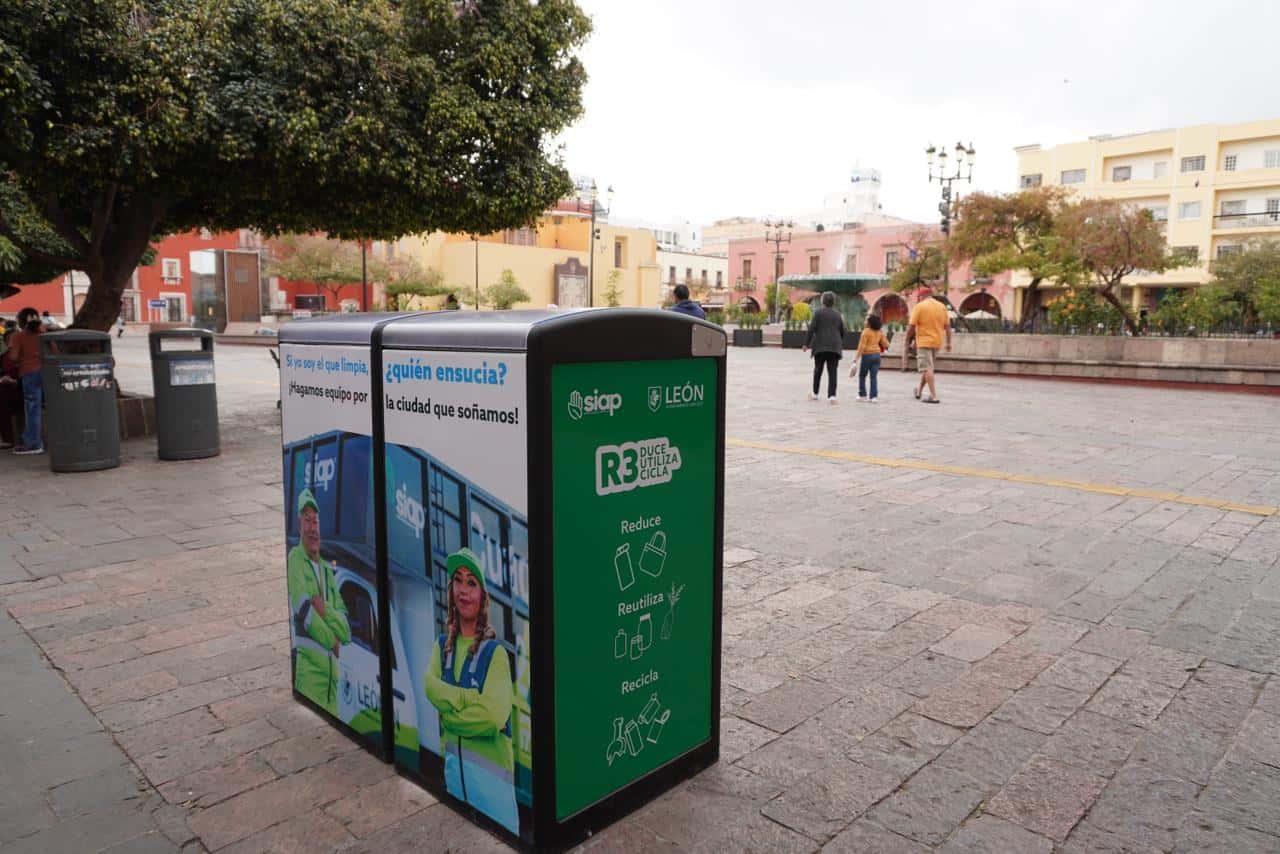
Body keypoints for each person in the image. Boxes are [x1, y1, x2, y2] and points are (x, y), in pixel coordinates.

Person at [425, 548, 518, 835]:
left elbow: (491, 718)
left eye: (471, 583)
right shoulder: (441, 648)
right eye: (458, 580)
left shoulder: (496, 655)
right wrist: (469, 699)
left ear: (483, 597)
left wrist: (450, 718)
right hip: (455, 796)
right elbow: (429, 686)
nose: (463, 590)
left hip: (495, 807)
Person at [286, 487, 351, 717]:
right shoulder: (295, 559)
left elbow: (346, 630)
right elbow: (304, 610)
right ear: (299, 525)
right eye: (307, 520)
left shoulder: (326, 569)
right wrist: (332, 641)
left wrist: (324, 609)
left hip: (333, 687)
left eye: (315, 521)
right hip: (310, 680)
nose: (312, 528)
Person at [905, 288, 952, 404]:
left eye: (919, 297)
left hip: (924, 342)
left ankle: (933, 396)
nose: (918, 299)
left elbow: (912, 326)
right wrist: (948, 343)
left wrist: (907, 339)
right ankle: (919, 391)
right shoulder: (942, 307)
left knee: (927, 368)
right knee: (928, 368)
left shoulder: (920, 307)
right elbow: (947, 327)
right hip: (937, 342)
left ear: (923, 296)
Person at [8, 309, 45, 454]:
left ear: (20, 321)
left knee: (32, 409)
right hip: (47, 373)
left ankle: (34, 444)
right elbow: (55, 352)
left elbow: (13, 357)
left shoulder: (18, 336)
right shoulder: (44, 334)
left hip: (29, 373)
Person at [803, 291, 845, 403]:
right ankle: (832, 396)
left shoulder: (818, 313)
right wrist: (839, 342)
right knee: (833, 372)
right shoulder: (838, 315)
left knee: (818, 370)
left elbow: (811, 329)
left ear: (822, 301)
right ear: (833, 302)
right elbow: (842, 331)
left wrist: (806, 344)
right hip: (834, 347)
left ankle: (815, 394)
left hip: (820, 346)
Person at [854, 314, 890, 402]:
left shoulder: (866, 332)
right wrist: (883, 336)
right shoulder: (879, 332)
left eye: (866, 320)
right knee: (873, 377)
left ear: (870, 323)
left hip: (867, 356)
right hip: (877, 356)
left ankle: (862, 395)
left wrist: (856, 358)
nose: (865, 322)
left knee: (862, 375)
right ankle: (873, 397)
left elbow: (861, 346)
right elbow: (886, 344)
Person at [0, 328, 21, 449]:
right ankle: (8, 438)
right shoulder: (3, 357)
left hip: (23, 387)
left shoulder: (25, 356)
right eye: (9, 340)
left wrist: (15, 382)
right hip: (6, 388)